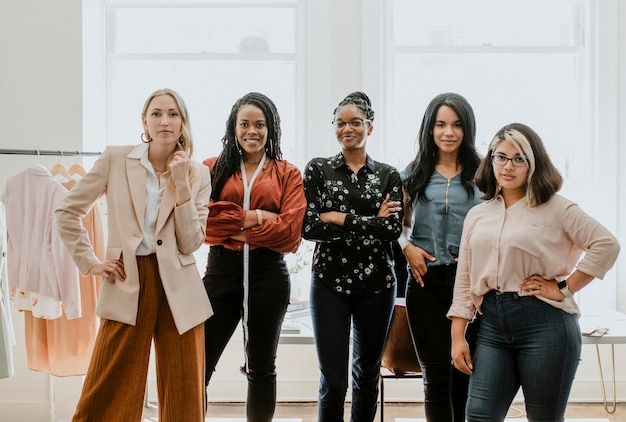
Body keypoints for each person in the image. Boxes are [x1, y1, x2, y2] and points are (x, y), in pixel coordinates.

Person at [55, 88, 213, 421]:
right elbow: (67, 211)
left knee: (185, 389)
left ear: (183, 122)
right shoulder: (116, 158)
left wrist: (183, 186)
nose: (164, 121)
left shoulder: (198, 173)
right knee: (110, 384)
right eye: (156, 114)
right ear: (144, 121)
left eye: (172, 114)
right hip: (127, 278)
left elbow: (191, 242)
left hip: (180, 287)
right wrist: (91, 263)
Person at [448, 123, 620, 421]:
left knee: (543, 418)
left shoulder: (557, 208)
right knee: (479, 415)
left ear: (533, 163)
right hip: (491, 325)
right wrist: (457, 335)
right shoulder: (478, 214)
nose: (508, 166)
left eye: (519, 159)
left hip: (546, 324)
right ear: (490, 160)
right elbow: (465, 278)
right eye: (500, 157)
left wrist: (564, 288)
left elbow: (606, 245)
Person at [202, 92, 306, 422]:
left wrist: (231, 227)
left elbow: (290, 233)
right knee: (197, 363)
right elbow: (201, 224)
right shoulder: (211, 169)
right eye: (244, 124)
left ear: (270, 128)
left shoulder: (288, 174)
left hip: (268, 277)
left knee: (261, 368)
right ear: (233, 128)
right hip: (220, 275)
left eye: (259, 124)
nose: (252, 131)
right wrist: (259, 216)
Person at [302, 91, 403, 422]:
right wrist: (370, 221)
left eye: (356, 122)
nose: (348, 129)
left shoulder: (388, 175)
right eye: (341, 123)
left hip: (378, 285)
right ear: (334, 128)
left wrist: (339, 217)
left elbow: (391, 229)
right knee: (332, 380)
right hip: (328, 282)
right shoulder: (318, 170)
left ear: (369, 128)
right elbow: (309, 226)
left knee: (367, 376)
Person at [399, 92, 482, 422]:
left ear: (467, 129)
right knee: (435, 379)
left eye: (457, 125)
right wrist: (407, 247)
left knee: (464, 375)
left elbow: (500, 224)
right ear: (429, 129)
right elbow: (396, 226)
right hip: (424, 285)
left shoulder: (484, 174)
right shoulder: (412, 174)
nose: (448, 132)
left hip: (472, 288)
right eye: (440, 124)